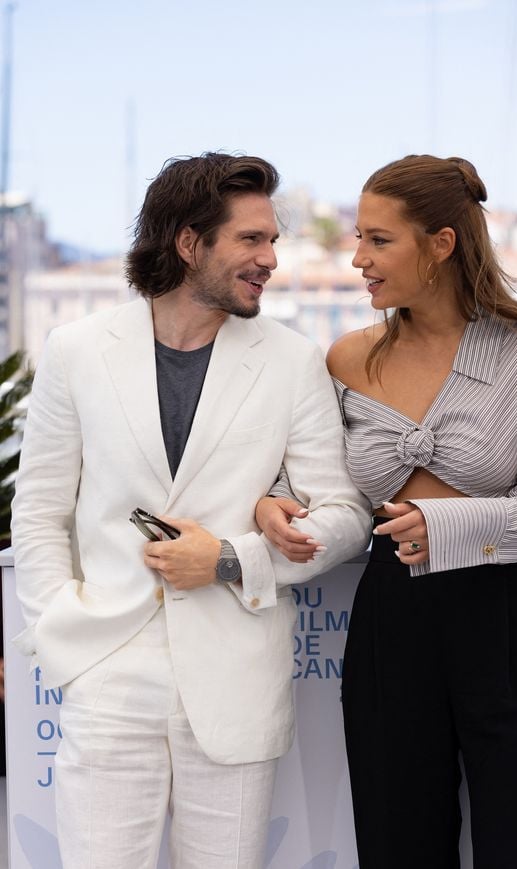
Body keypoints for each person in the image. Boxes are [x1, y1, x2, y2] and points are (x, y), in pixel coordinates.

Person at [10, 152, 371, 869]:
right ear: (187, 242)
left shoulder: (292, 359)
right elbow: (40, 510)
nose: (271, 258)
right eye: (252, 239)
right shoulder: (77, 350)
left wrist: (232, 559)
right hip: (107, 668)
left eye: (273, 240)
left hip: (234, 678)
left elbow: (345, 514)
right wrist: (65, 635)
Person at [256, 155, 517, 869]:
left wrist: (446, 525)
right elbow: (308, 480)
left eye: (378, 239)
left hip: (504, 625)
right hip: (391, 627)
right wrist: (270, 498)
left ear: (441, 244)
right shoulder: (345, 359)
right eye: (359, 238)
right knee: (397, 845)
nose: (358, 258)